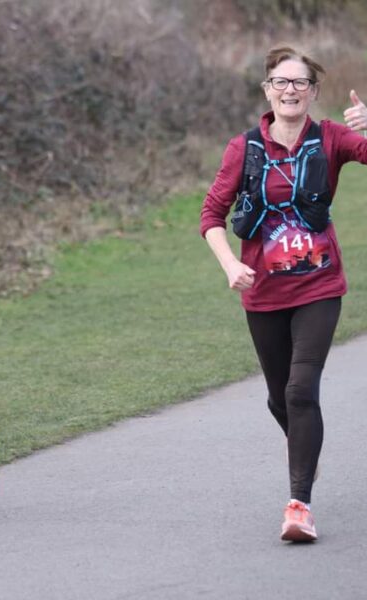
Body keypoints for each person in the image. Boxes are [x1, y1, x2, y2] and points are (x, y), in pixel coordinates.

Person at [200, 45, 367, 542]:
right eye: (280, 81)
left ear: (313, 92)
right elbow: (211, 215)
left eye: (299, 83)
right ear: (267, 90)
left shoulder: (331, 138)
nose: (289, 90)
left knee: (300, 390)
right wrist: (230, 264)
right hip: (264, 292)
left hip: (319, 286)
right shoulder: (244, 148)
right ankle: (305, 452)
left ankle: (299, 506)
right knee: (280, 399)